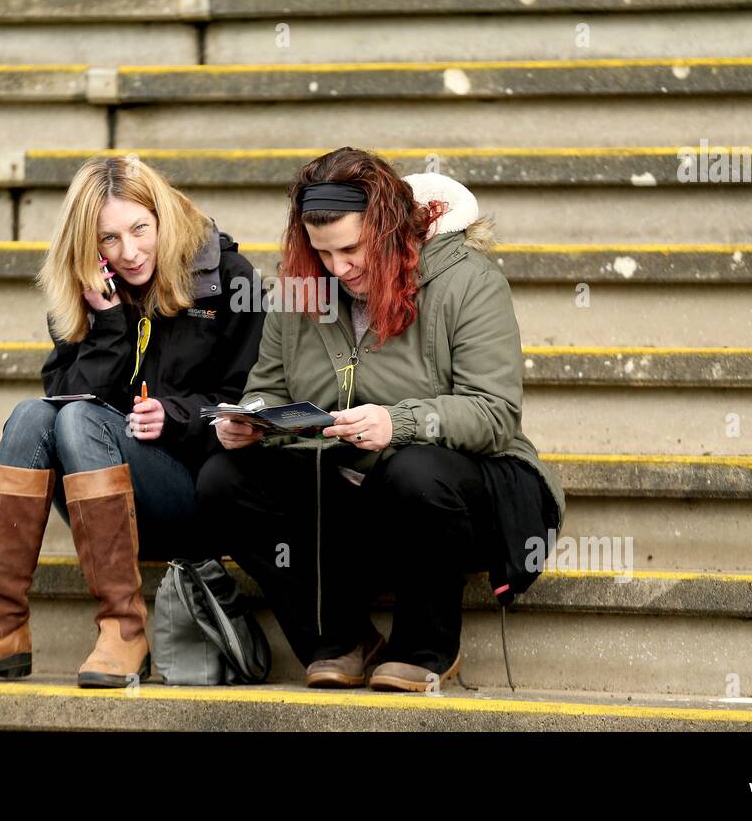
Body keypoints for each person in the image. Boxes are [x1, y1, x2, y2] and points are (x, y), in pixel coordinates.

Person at [197, 147, 566, 692]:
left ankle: (426, 647)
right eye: (322, 252)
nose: (338, 268)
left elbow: (495, 414)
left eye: (351, 248)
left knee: (414, 469)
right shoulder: (302, 288)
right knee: (222, 482)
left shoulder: (469, 281)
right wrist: (250, 422)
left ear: (389, 228)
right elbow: (267, 390)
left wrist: (400, 422)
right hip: (349, 494)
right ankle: (340, 639)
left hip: (463, 494)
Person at [0, 154, 266, 687]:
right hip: (101, 502)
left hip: (192, 490)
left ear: (161, 218)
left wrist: (176, 417)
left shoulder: (225, 278)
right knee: (33, 415)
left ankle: (124, 629)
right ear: (88, 245)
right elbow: (61, 400)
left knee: (76, 418)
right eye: (108, 239)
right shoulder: (87, 290)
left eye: (139, 229)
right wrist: (109, 325)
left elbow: (250, 399)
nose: (129, 252)